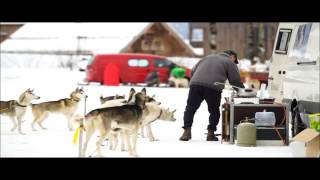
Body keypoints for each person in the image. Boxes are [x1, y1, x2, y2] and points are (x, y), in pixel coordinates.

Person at [179, 50, 244, 141]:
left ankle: (186, 132)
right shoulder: (229, 62)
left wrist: (196, 81)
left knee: (190, 108)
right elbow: (235, 81)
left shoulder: (206, 58)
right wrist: (242, 92)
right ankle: (211, 133)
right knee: (214, 111)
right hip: (213, 87)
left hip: (195, 85)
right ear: (232, 57)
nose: (234, 63)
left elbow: (192, 72)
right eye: (235, 60)